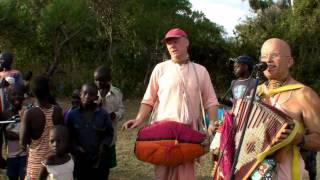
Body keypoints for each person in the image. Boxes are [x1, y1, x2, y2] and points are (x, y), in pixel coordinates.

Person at [122, 28, 219, 180]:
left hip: (188, 134)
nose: (172, 45)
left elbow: (211, 101)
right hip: (163, 134)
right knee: (162, 174)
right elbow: (149, 99)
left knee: (186, 175)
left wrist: (213, 122)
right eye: (168, 43)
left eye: (176, 41)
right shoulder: (160, 69)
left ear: (186, 42)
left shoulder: (201, 71)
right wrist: (139, 119)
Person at [257, 38, 320, 179]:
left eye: (275, 55)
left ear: (290, 61)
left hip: (287, 172)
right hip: (251, 170)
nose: (268, 60)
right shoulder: (256, 92)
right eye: (264, 56)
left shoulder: (303, 94)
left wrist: (299, 139)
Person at [20, 75, 64, 180]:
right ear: (49, 91)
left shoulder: (29, 114)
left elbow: (22, 144)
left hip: (35, 167)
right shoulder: (57, 110)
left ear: (32, 93)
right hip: (54, 166)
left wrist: (23, 120)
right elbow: (63, 136)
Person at [67, 83, 113, 180]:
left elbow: (109, 134)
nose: (87, 96)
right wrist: (76, 147)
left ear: (96, 97)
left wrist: (103, 146)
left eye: (91, 94)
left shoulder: (103, 114)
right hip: (79, 162)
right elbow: (69, 136)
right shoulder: (72, 115)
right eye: (85, 93)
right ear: (80, 95)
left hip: (99, 162)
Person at [94, 65, 125, 169]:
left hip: (110, 132)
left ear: (109, 80)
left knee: (107, 161)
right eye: (96, 80)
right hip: (94, 132)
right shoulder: (92, 92)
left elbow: (121, 110)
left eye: (101, 80)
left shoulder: (117, 93)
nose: (98, 83)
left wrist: (115, 115)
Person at [0, 83, 27, 180]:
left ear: (24, 96)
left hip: (26, 155)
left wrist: (18, 136)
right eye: (13, 94)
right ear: (7, 96)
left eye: (20, 94)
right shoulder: (4, 114)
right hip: (11, 156)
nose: (17, 97)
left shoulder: (28, 112)